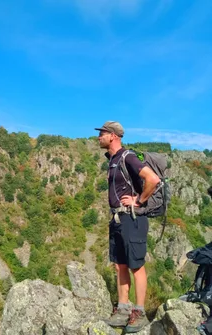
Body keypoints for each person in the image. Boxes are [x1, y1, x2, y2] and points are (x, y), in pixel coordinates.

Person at [95, 121, 160, 333]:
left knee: (136, 266)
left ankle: (139, 313)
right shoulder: (112, 160)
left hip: (133, 219)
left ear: (113, 136)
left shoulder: (127, 157)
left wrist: (139, 201)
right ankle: (123, 309)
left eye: (102, 133)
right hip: (117, 219)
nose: (99, 137)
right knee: (119, 264)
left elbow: (153, 179)